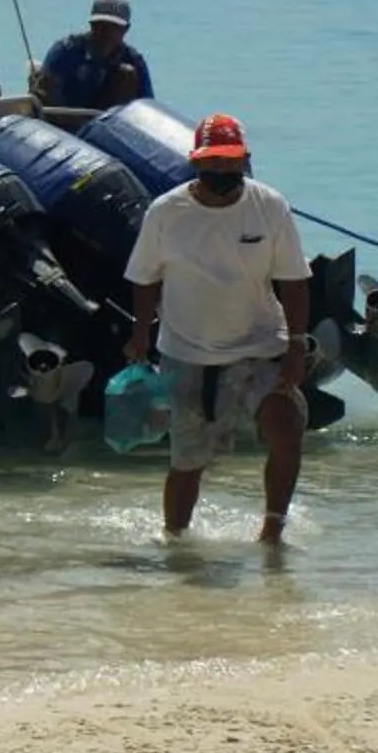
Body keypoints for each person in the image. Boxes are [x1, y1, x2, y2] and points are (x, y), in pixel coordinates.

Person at [121, 112, 310, 544]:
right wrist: (139, 335)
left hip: (261, 346)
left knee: (287, 425)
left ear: (244, 160)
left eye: (230, 162)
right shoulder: (166, 212)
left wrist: (297, 345)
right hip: (190, 353)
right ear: (195, 162)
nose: (221, 172)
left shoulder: (270, 206)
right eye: (212, 163)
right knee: (189, 459)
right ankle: (174, 540)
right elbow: (145, 278)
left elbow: (295, 280)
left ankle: (272, 531)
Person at [32, 0, 154, 109]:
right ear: (91, 24)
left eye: (113, 27)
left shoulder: (134, 60)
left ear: (126, 29)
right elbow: (43, 96)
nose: (105, 32)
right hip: (63, 121)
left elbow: (148, 104)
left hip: (106, 125)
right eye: (100, 25)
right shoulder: (65, 51)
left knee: (126, 74)